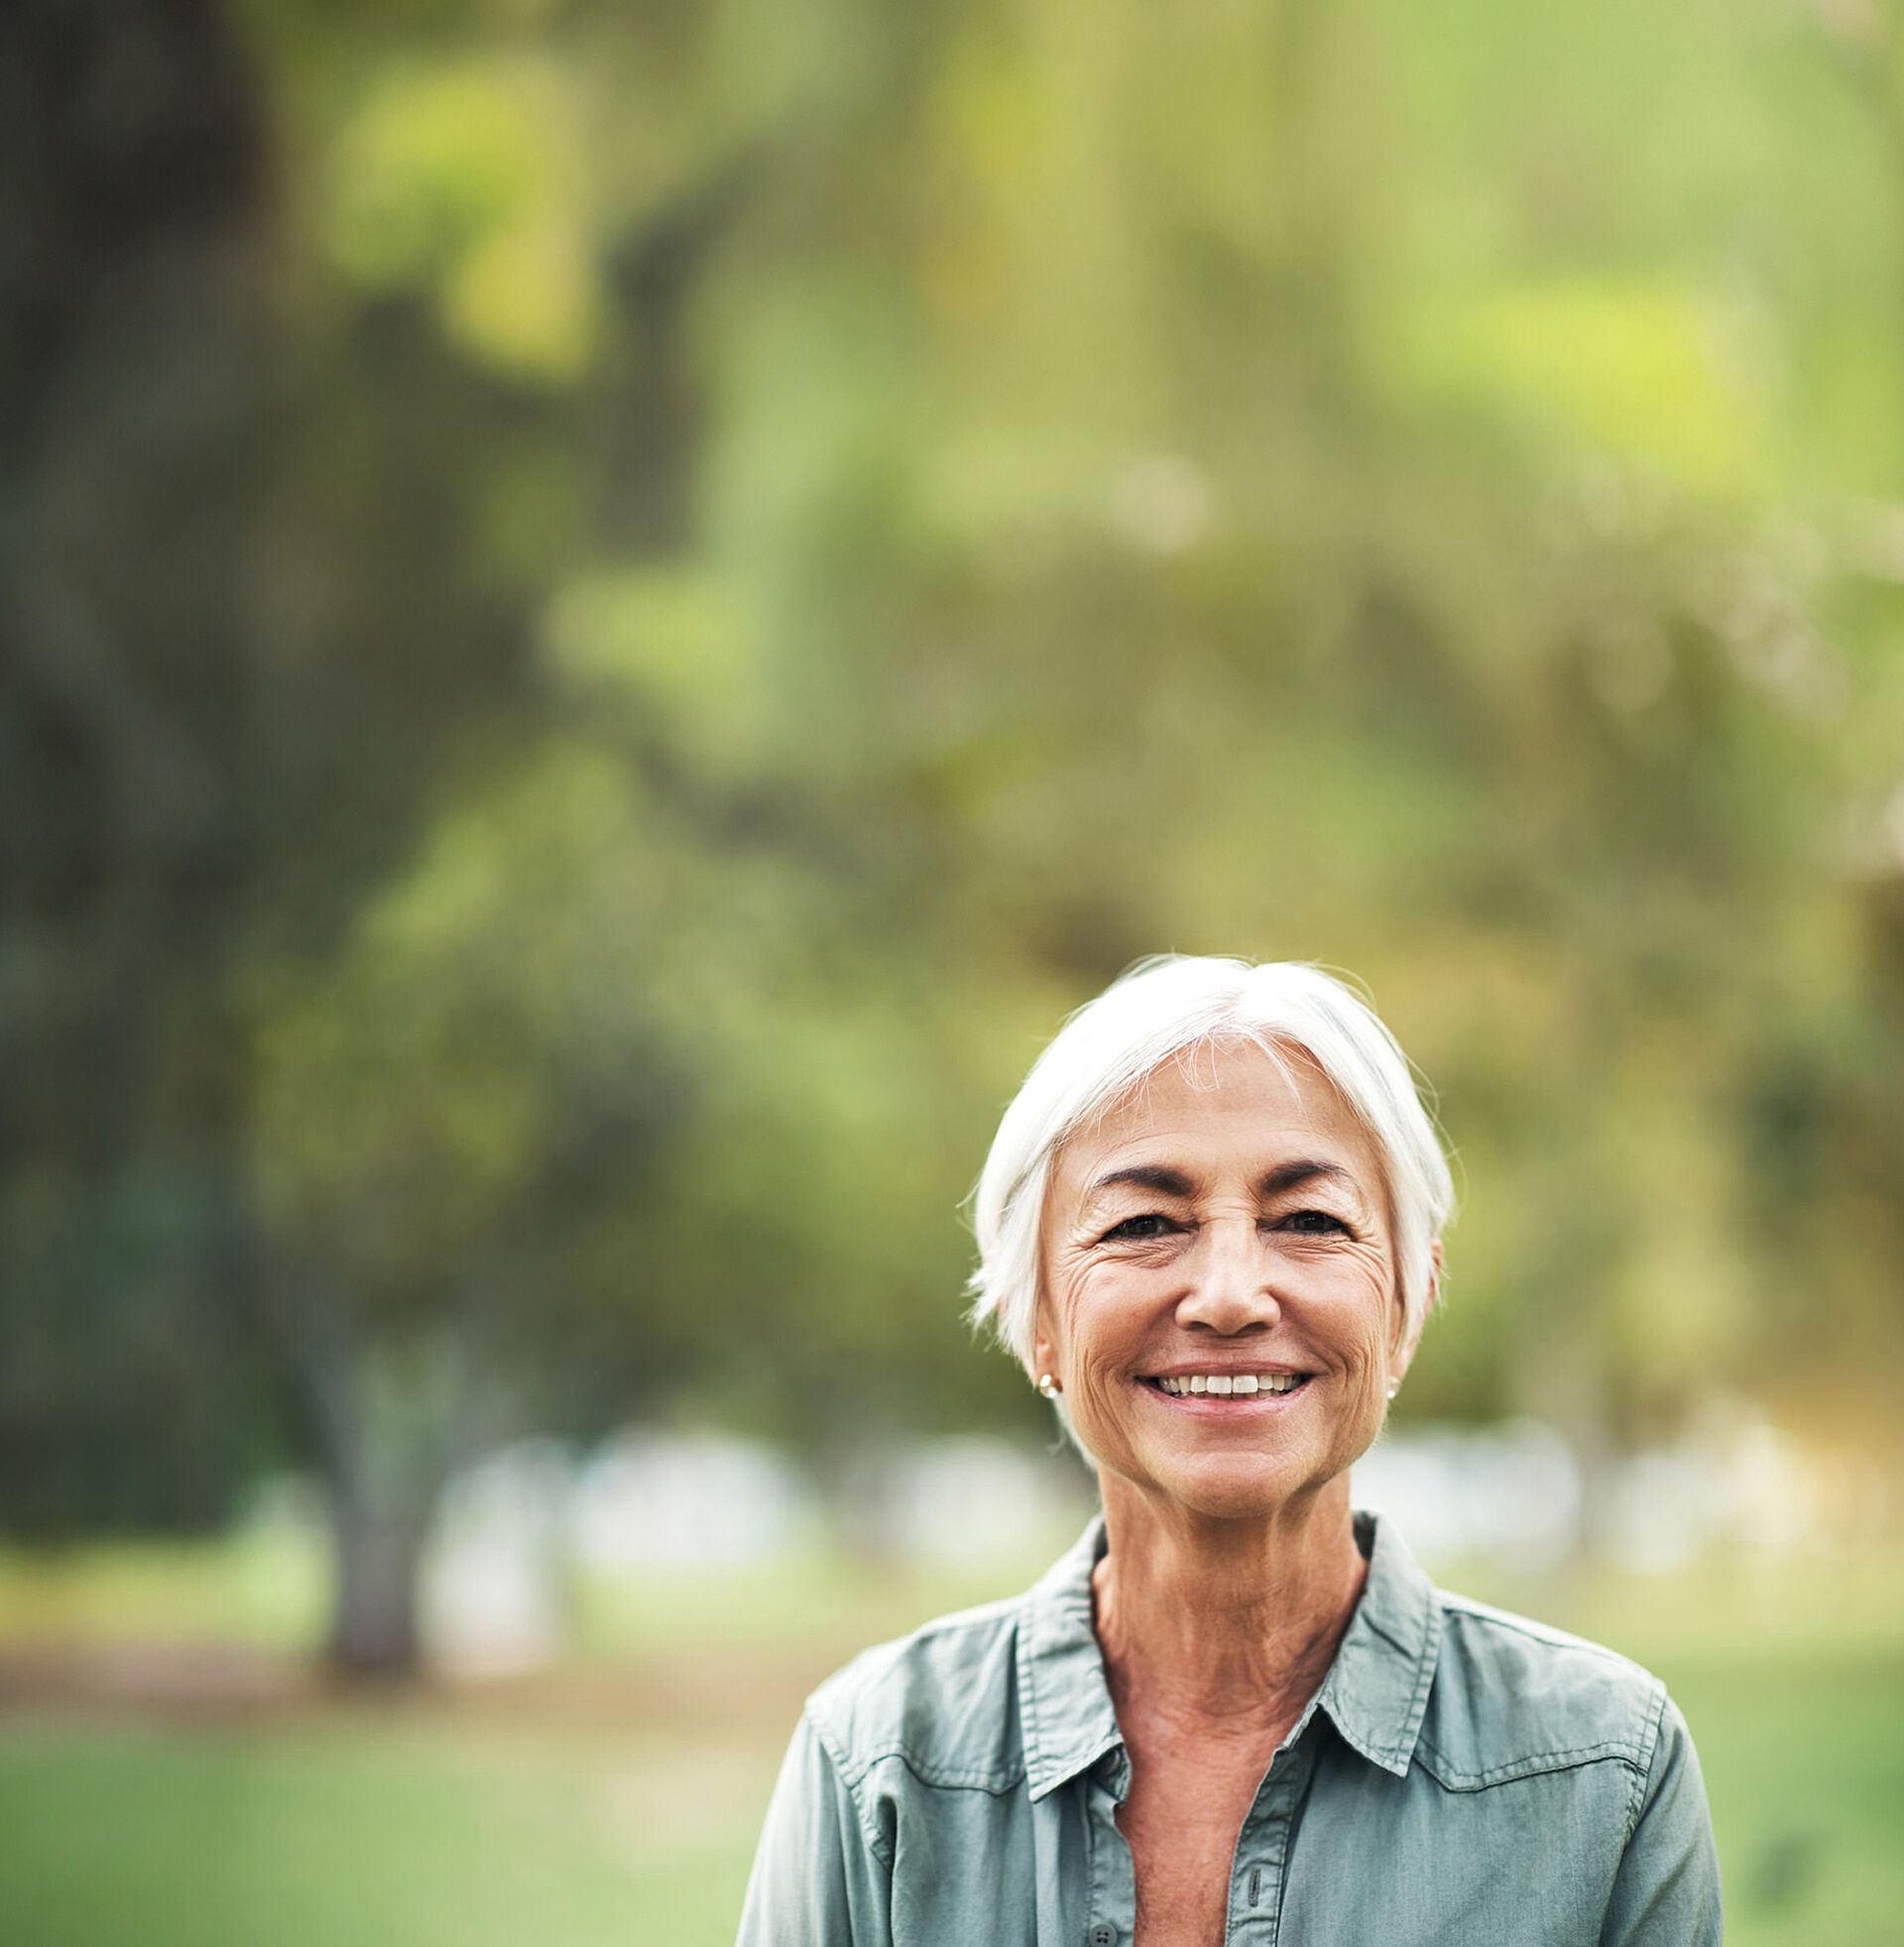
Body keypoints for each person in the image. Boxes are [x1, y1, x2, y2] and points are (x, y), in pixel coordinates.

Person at [736, 956, 1722, 1947]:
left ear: (1407, 1305)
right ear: (1037, 1316)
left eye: (1308, 1219)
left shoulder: (1604, 1768)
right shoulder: (876, 1767)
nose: (1229, 1294)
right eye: (1145, 1223)